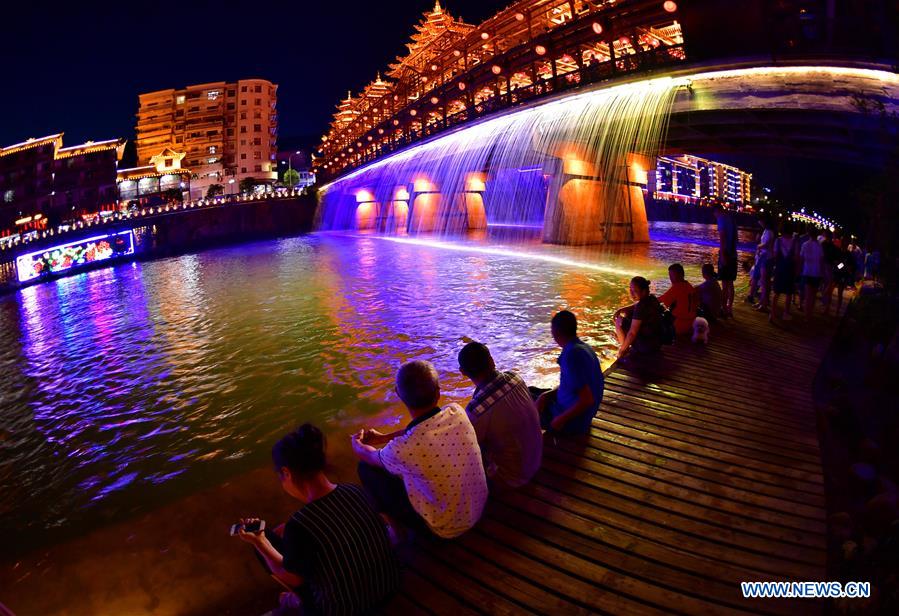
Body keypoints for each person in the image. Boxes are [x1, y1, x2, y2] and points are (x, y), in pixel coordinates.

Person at [237, 424, 400, 616]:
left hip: (346, 609)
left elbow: (292, 577)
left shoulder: (300, 525)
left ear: (287, 473)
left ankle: (294, 601)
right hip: (390, 585)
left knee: (267, 545)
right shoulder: (355, 491)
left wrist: (260, 541)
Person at [352, 360, 487, 539]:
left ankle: (396, 532)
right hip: (478, 508)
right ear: (438, 392)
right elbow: (425, 427)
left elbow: (368, 455)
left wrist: (356, 444)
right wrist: (385, 437)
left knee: (366, 469)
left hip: (445, 530)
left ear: (398, 394)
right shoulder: (456, 412)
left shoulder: (404, 448)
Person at [458, 342, 542, 489]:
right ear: (492, 360)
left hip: (513, 477)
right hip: (537, 459)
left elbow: (466, 452)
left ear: (463, 372)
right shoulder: (515, 378)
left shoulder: (475, 410)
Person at [535, 310, 604, 436]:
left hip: (573, 423)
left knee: (522, 404)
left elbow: (587, 400)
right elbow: (573, 385)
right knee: (533, 392)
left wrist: (558, 421)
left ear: (555, 332)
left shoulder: (572, 356)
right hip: (579, 414)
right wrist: (545, 395)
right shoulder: (583, 347)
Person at [614, 276, 664, 357]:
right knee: (628, 314)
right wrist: (623, 309)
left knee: (619, 321)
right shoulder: (653, 299)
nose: (631, 293)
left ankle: (624, 350)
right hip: (657, 343)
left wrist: (620, 351)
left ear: (644, 291)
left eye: (635, 291)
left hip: (645, 347)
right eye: (630, 290)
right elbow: (636, 306)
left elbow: (632, 333)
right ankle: (625, 347)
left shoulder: (641, 307)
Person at [658, 263, 698, 335]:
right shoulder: (689, 286)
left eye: (672, 276)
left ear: (680, 275)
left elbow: (661, 301)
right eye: (670, 276)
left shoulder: (677, 287)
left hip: (679, 325)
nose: (670, 278)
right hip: (692, 323)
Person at [770, 222, 798, 322]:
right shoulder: (794, 242)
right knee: (789, 293)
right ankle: (785, 313)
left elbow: (775, 255)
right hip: (790, 269)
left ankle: (772, 314)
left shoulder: (778, 240)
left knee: (776, 292)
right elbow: (795, 257)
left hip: (780, 269)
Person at [713, 205, 738, 317]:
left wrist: (722, 255)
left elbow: (722, 238)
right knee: (731, 284)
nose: (715, 216)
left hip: (726, 253)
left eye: (715, 214)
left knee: (724, 284)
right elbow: (736, 239)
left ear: (717, 211)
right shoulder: (731, 219)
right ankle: (730, 308)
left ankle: (723, 308)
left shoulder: (721, 219)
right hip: (733, 254)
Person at [799, 227, 825, 318]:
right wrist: (822, 273)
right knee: (813, 295)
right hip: (816, 272)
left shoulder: (805, 245)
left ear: (809, 234)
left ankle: (806, 315)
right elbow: (821, 260)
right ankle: (810, 314)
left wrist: (799, 270)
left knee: (807, 294)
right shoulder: (819, 246)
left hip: (806, 271)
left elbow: (801, 259)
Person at [755, 218, 776, 312]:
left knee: (764, 281)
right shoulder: (768, 231)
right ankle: (763, 301)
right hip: (766, 257)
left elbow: (766, 244)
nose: (759, 221)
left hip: (766, 257)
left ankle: (763, 304)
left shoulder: (768, 232)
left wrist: (758, 246)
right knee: (765, 281)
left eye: (760, 219)